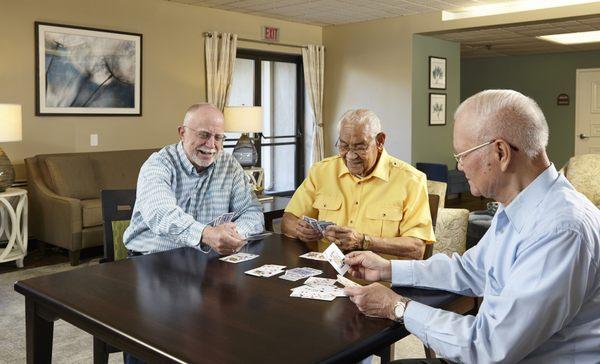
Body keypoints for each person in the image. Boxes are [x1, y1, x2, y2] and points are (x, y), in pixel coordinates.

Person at [344, 90, 600, 363]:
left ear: (500, 152)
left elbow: (488, 346)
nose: (459, 165)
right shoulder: (520, 205)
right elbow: (471, 269)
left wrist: (396, 306)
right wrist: (387, 268)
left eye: (462, 154)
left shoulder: (560, 230)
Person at [282, 109, 435, 259]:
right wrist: (300, 230)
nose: (350, 155)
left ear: (380, 141)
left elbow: (417, 248)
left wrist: (364, 241)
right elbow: (288, 220)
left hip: (381, 280)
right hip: (324, 273)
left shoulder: (411, 180)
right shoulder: (321, 171)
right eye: (344, 146)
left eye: (360, 147)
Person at [124, 103, 264, 256]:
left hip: (206, 261)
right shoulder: (158, 165)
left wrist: (232, 234)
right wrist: (206, 234)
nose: (211, 145)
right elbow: (161, 213)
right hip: (151, 260)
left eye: (218, 137)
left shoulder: (229, 165)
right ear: (182, 133)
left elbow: (252, 211)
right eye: (203, 135)